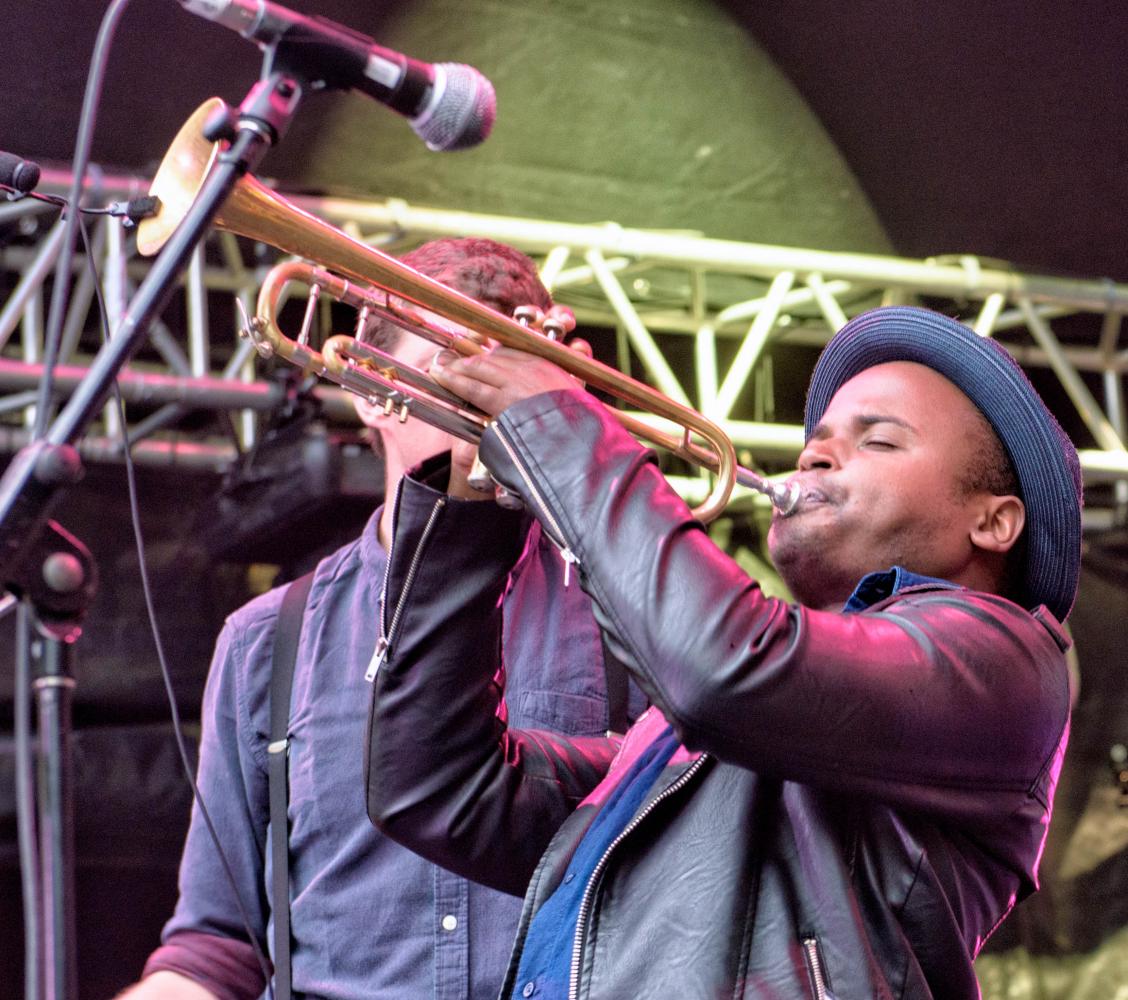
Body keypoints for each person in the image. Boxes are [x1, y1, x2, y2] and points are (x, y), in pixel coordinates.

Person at [365, 305, 1081, 999]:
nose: (815, 454)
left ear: (992, 522)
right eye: (817, 441)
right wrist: (467, 515)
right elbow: (439, 789)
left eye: (880, 441)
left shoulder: (1009, 664)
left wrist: (563, 430)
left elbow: (722, 668)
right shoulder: (704, 738)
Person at [120, 238, 642, 1000]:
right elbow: (220, 941)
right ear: (372, 389)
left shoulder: (627, 609)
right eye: (457, 359)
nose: (484, 392)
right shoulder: (266, 638)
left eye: (510, 364)